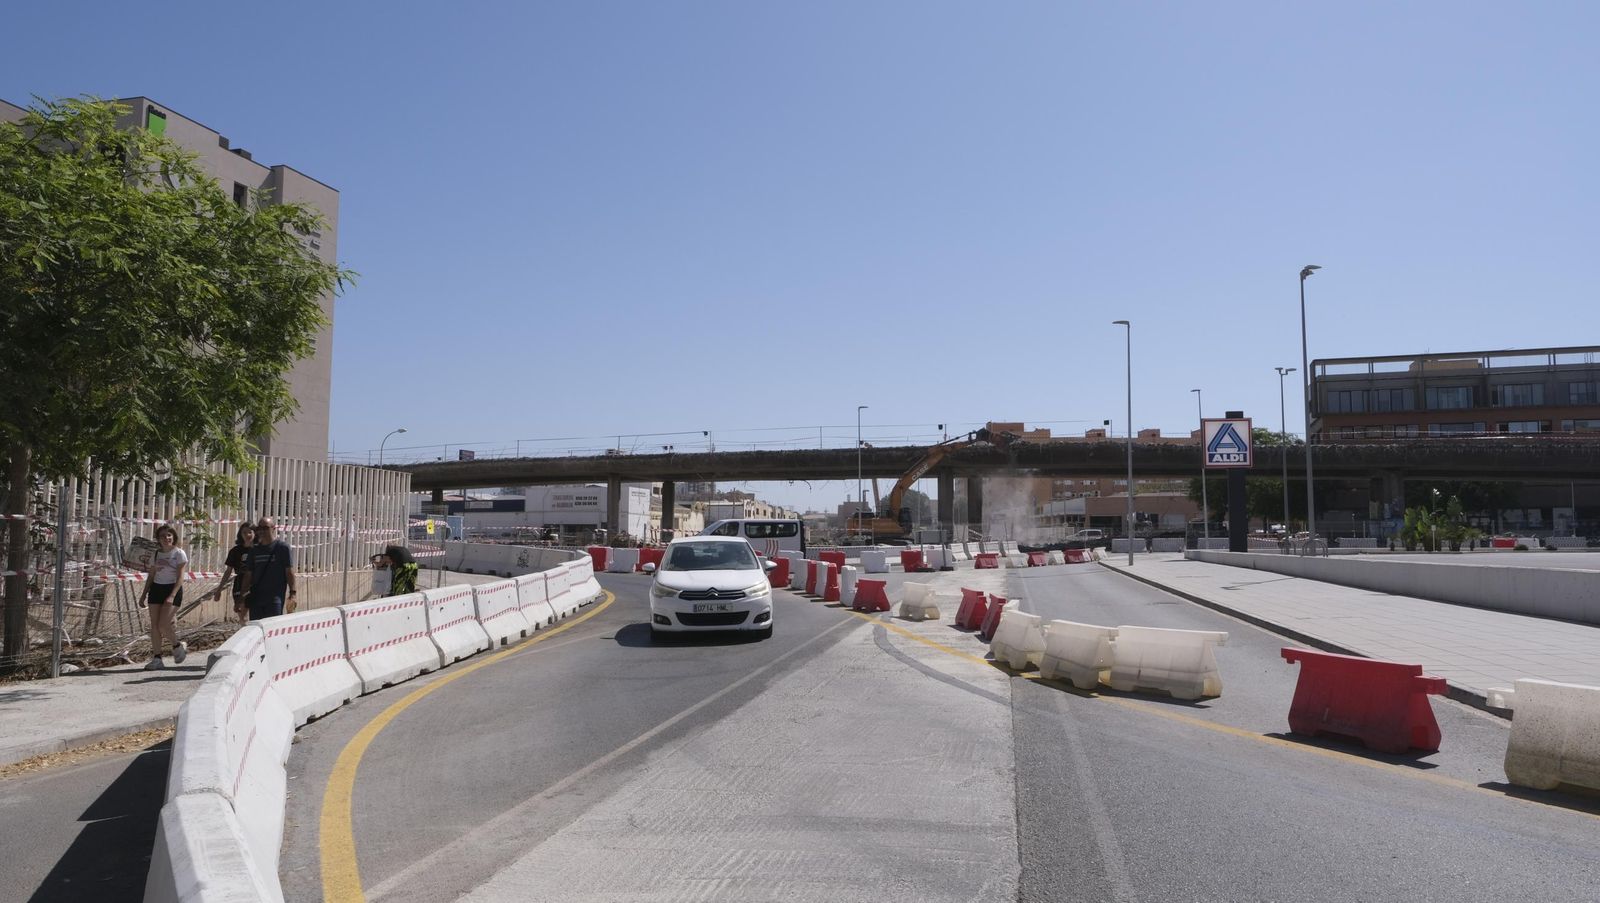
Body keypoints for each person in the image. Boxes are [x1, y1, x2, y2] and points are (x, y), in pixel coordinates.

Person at [139, 524, 188, 669]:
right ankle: (157, 658)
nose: (166, 538)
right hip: (156, 589)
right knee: (154, 625)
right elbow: (151, 575)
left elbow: (180, 577)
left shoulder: (179, 553)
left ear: (173, 537)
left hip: (172, 588)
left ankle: (177, 645)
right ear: (158, 539)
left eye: (169, 535)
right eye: (163, 536)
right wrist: (143, 595)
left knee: (163, 624)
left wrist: (172, 595)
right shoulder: (156, 554)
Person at [241, 517, 297, 620]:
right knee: (257, 630)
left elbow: (289, 572)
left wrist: (292, 593)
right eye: (259, 528)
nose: (262, 531)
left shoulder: (282, 548)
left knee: (272, 628)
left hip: (274, 599)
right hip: (256, 598)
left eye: (265, 528)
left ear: (273, 528)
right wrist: (242, 596)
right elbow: (248, 574)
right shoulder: (254, 550)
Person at [209, 522, 256, 623]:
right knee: (243, 616)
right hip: (240, 585)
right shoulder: (235, 551)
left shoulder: (259, 550)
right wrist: (219, 589)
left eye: (250, 532)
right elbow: (228, 571)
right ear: (240, 534)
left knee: (256, 617)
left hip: (256, 584)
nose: (247, 535)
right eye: (244, 532)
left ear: (255, 533)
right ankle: (246, 635)